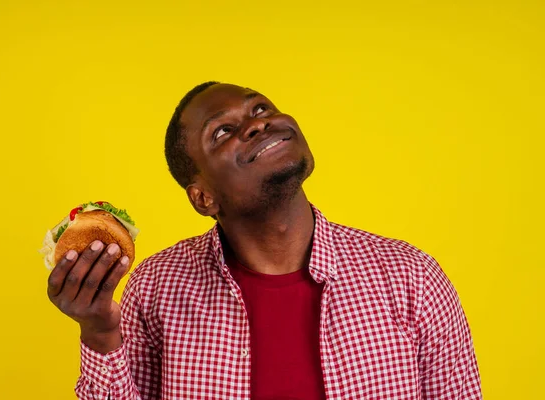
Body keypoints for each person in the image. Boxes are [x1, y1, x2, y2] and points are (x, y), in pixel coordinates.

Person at [47, 82, 482, 399]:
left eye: (261, 108)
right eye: (221, 131)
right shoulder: (156, 288)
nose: (258, 124)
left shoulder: (411, 277)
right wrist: (100, 333)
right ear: (203, 197)